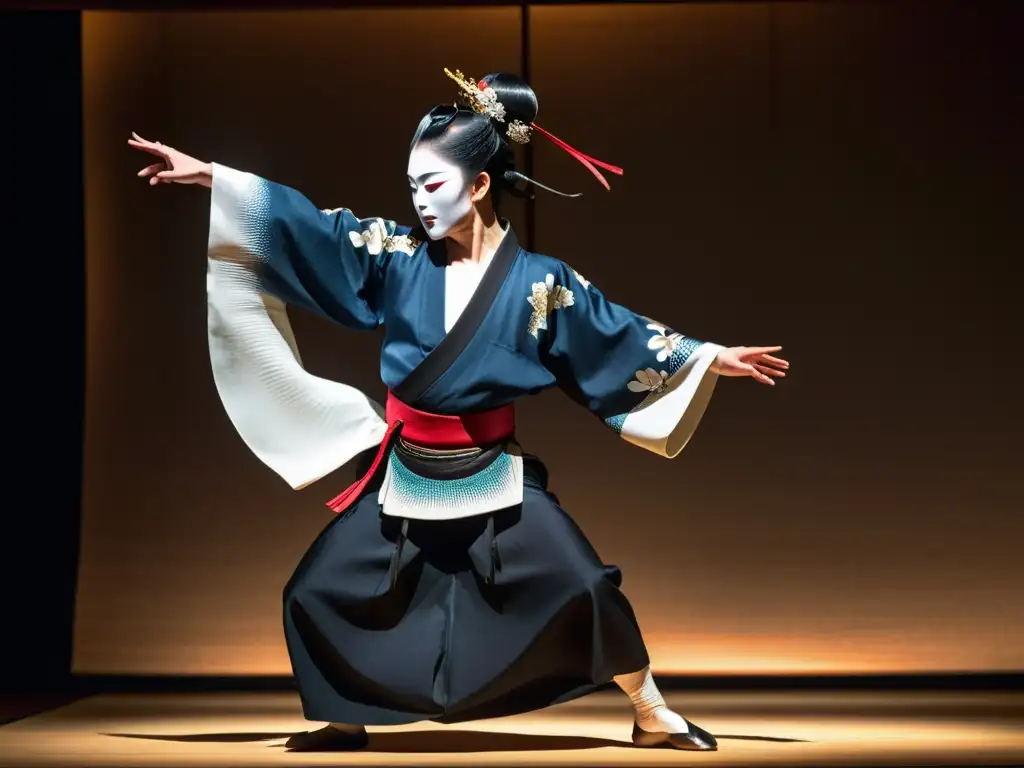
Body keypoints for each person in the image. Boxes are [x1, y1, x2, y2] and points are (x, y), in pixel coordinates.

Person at [129, 68, 788, 753]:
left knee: (586, 585)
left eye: (433, 184)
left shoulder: (540, 283)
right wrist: (214, 178)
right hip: (406, 471)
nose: (418, 201)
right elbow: (316, 230)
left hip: (491, 472)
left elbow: (613, 332)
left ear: (478, 185)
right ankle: (344, 715)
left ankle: (653, 714)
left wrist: (706, 356)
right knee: (312, 591)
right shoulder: (398, 259)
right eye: (411, 186)